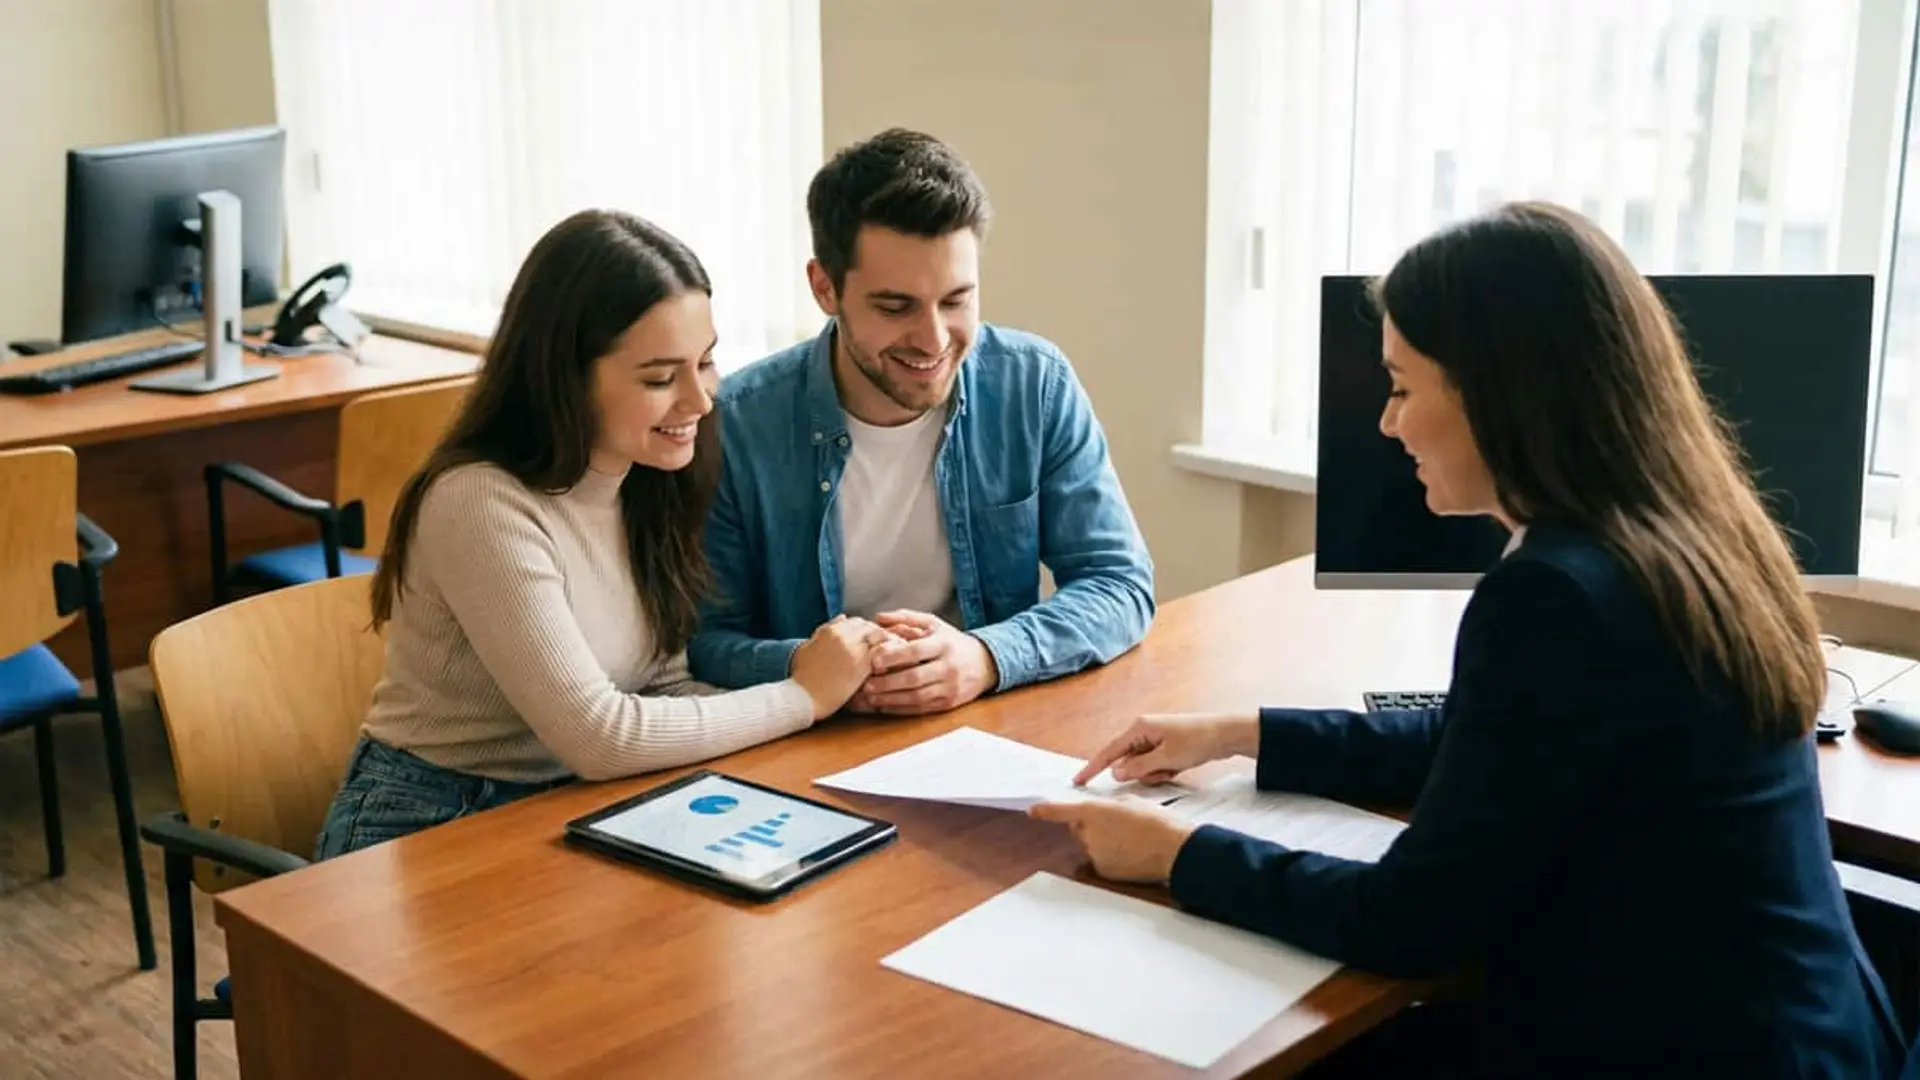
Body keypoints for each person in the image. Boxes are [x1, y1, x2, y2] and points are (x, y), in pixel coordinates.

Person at [1028, 202, 1909, 1078]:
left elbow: (1410, 921)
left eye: (1404, 386)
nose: (1386, 422)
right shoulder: (1685, 530)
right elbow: (1499, 745)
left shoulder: (1554, 590)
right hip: (1812, 1029)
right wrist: (1239, 735)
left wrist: (1175, 853)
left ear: (1498, 394)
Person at [314, 210, 890, 859]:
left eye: (705, 362)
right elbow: (600, 735)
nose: (700, 401)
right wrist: (803, 695)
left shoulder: (646, 478)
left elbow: (662, 687)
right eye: (658, 377)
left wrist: (840, 690)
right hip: (430, 818)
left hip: (573, 802)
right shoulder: (479, 503)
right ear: (564, 374)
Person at [686, 128, 1154, 716]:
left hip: (991, 720)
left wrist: (985, 657)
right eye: (895, 306)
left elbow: (1118, 584)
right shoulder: (738, 423)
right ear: (824, 287)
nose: (933, 340)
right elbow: (706, 641)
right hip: (814, 743)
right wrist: (818, 668)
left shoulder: (1034, 385)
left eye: (956, 300)